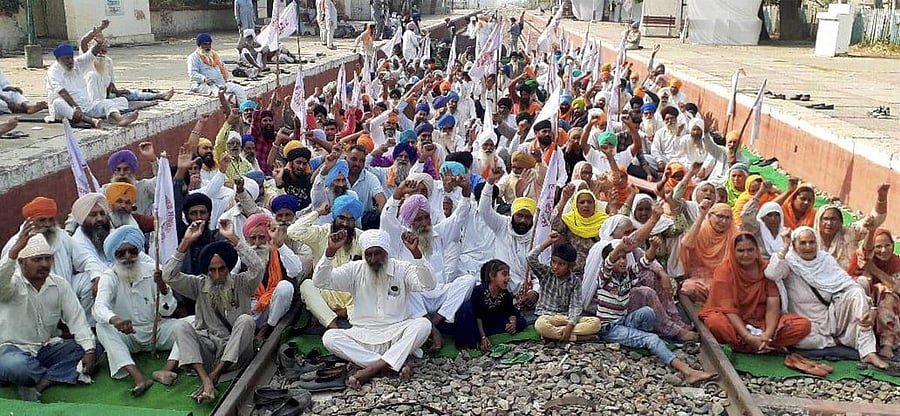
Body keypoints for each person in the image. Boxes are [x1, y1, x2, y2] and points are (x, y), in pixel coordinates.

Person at [315, 228, 435, 389]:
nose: (373, 259)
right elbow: (320, 282)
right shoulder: (354, 269)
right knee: (330, 337)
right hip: (363, 335)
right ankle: (388, 364)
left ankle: (370, 369)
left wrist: (417, 254)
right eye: (369, 254)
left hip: (397, 334)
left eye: (378, 253)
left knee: (423, 325)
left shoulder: (402, 268)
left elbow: (428, 285)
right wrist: (330, 252)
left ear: (386, 252)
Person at [159, 219, 264, 402]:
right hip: (209, 354)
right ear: (206, 270)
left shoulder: (242, 283)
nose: (217, 276)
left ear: (228, 267)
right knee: (181, 327)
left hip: (238, 354)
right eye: (212, 270)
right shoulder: (198, 284)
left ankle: (214, 376)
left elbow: (258, 267)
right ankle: (205, 379)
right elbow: (168, 275)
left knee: (246, 320)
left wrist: (234, 239)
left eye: (221, 269)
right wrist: (186, 242)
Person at [593, 239, 717, 385]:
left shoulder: (627, 274)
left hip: (624, 320)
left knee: (649, 312)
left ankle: (642, 341)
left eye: (623, 257)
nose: (621, 261)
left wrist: (653, 246)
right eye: (617, 258)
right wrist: (620, 246)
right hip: (609, 328)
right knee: (651, 338)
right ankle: (688, 372)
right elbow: (608, 262)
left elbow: (645, 262)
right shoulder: (604, 278)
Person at [766, 227, 889, 369]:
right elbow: (772, 274)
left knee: (856, 291)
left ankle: (868, 352)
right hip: (807, 322)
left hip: (831, 316)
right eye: (803, 243)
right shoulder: (789, 262)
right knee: (800, 340)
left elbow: (846, 283)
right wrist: (785, 247)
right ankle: (836, 341)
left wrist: (871, 307)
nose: (808, 247)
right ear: (794, 245)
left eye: (812, 242)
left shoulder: (825, 259)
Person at [0, 231, 95, 402]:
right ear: (21, 263)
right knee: (17, 366)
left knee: (94, 345)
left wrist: (89, 350)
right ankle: (37, 375)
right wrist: (13, 253)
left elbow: (77, 319)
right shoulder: (11, 284)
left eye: (48, 258)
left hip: (45, 349)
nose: (44, 264)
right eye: (37, 260)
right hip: (11, 349)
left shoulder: (59, 284)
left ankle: (42, 381)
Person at [92, 226, 178, 396]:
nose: (127, 257)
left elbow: (169, 311)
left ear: (138, 251)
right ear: (114, 256)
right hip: (128, 335)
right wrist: (115, 320)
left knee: (191, 324)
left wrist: (163, 289)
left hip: (156, 331)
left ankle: (166, 369)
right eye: (121, 253)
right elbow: (99, 307)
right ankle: (138, 377)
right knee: (102, 327)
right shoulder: (110, 276)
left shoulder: (154, 271)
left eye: (132, 251)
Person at [700, 233, 811, 353]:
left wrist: (768, 334)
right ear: (733, 251)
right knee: (715, 323)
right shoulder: (724, 270)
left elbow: (772, 306)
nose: (746, 255)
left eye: (750, 250)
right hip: (734, 322)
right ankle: (753, 344)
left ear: (756, 250)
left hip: (761, 322)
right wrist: (747, 337)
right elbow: (729, 310)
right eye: (741, 251)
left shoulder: (766, 268)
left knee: (803, 325)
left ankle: (757, 344)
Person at [288, 195, 363, 328]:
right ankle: (333, 326)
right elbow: (293, 231)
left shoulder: (361, 237)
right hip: (326, 293)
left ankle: (346, 314)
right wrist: (318, 212)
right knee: (306, 285)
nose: (345, 224)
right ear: (334, 217)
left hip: (353, 296)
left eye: (350, 220)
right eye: (342, 218)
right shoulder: (321, 233)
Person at [481, 170, 539, 308]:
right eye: (519, 216)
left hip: (527, 290)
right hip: (500, 287)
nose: (523, 221)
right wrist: (489, 183)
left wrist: (535, 292)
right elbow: (484, 210)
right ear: (513, 215)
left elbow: (540, 272)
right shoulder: (502, 225)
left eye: (528, 217)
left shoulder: (536, 235)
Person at [528, 232, 600, 342]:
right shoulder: (546, 273)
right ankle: (576, 337)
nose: (555, 267)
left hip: (566, 317)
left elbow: (576, 306)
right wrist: (547, 243)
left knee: (595, 324)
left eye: (561, 264)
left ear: (570, 266)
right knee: (540, 325)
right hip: (547, 317)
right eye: (553, 262)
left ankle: (554, 335)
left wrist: (570, 325)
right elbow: (530, 258)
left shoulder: (575, 281)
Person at [47, 43, 137, 128]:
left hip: (85, 106)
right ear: (58, 59)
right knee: (58, 103)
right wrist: (75, 106)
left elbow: (91, 55)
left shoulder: (77, 64)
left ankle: (120, 119)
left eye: (71, 58)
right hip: (66, 108)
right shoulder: (53, 72)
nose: (70, 61)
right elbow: (62, 92)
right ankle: (91, 121)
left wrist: (99, 43)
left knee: (107, 103)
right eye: (66, 59)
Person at [241, 213, 299, 341]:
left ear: (268, 237)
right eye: (253, 238)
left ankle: (266, 329)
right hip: (252, 310)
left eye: (262, 238)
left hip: (275, 309)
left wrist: (280, 245)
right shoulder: (242, 257)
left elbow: (296, 270)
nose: (257, 243)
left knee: (285, 287)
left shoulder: (279, 252)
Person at [849, 227, 900, 358]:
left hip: (890, 309)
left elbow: (897, 288)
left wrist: (874, 270)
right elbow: (849, 283)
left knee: (887, 293)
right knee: (862, 283)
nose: (883, 250)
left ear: (893, 245)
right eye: (878, 246)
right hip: (865, 302)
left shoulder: (896, 262)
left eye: (887, 245)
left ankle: (887, 343)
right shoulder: (859, 258)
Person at [815, 183, 889, 269]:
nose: (829, 223)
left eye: (833, 219)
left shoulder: (849, 232)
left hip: (848, 278)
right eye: (825, 219)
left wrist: (881, 198)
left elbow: (876, 219)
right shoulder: (811, 239)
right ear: (818, 221)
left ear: (840, 222)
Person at [680, 202, 737, 303]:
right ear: (710, 216)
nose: (723, 221)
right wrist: (701, 215)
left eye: (727, 218)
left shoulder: (734, 233)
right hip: (700, 277)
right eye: (720, 216)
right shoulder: (701, 229)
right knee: (689, 287)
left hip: (725, 278)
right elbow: (686, 244)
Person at [471, 259, 527, 352]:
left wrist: (512, 323)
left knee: (520, 322)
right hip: (482, 324)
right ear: (492, 276)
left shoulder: (505, 294)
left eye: (508, 275)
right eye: (504, 274)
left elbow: (511, 311)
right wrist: (483, 337)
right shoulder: (479, 291)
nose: (508, 278)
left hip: (496, 321)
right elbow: (478, 316)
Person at [188, 33, 248, 102]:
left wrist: (226, 79)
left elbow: (222, 68)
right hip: (204, 84)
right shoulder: (193, 57)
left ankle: (244, 109)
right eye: (205, 44)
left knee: (239, 89)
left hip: (220, 83)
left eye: (209, 44)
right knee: (219, 94)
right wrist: (204, 79)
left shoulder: (214, 55)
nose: (208, 47)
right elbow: (192, 74)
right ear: (199, 45)